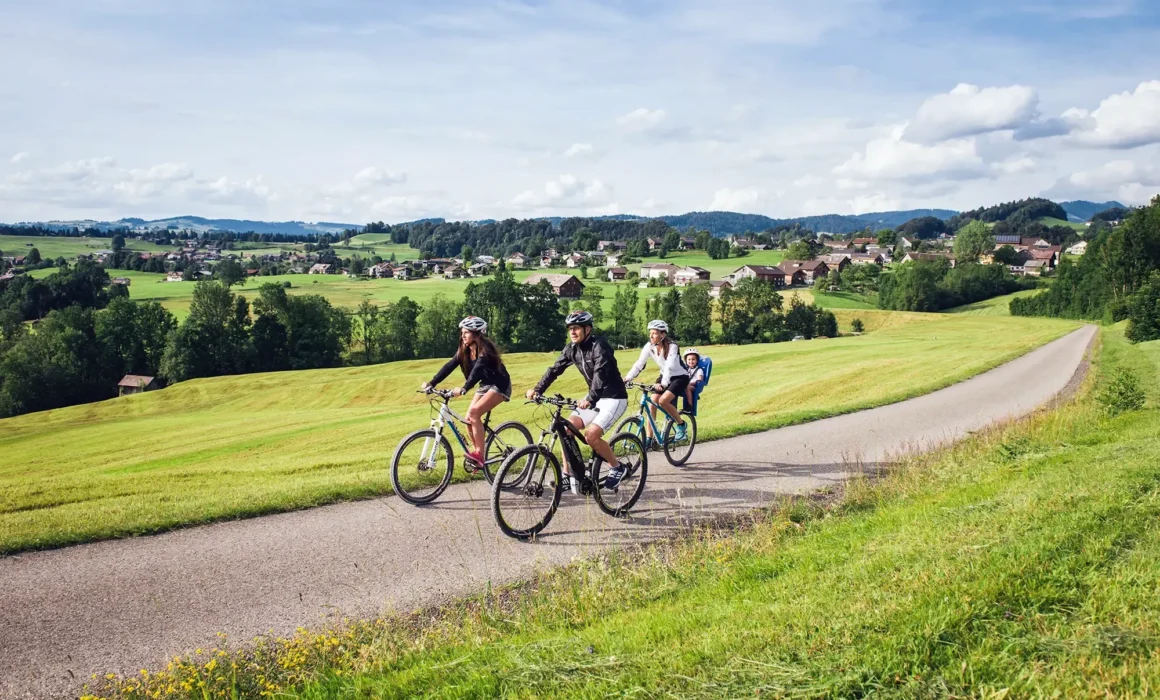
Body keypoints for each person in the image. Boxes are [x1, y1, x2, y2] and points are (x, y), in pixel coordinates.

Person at [526, 310, 629, 493]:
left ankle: (617, 467)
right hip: (594, 399)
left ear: (587, 329)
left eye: (576, 328)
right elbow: (555, 369)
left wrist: (590, 399)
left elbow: (600, 373)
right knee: (566, 429)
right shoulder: (572, 349)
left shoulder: (600, 346)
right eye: (570, 329)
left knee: (591, 436)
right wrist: (537, 390)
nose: (572, 332)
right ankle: (568, 475)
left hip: (614, 398)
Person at [421, 316, 511, 467]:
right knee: (468, 418)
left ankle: (480, 456)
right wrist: (432, 383)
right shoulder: (465, 349)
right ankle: (476, 455)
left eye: (466, 332)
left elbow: (477, 370)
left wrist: (464, 388)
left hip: (499, 385)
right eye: (462, 332)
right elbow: (450, 365)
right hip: (485, 385)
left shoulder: (485, 349)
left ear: (476, 334)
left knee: (475, 413)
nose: (462, 335)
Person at [622, 320, 690, 444]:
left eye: (654, 333)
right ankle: (649, 438)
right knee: (652, 402)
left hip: (679, 377)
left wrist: (663, 384)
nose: (651, 336)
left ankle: (681, 425)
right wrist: (628, 378)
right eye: (650, 333)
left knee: (663, 401)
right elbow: (639, 364)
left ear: (662, 335)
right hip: (664, 375)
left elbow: (669, 366)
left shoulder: (672, 347)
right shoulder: (649, 346)